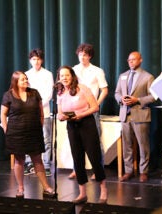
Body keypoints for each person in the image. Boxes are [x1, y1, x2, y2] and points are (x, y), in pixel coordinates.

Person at [56, 66, 107, 204]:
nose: (64, 78)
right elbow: (59, 112)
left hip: (87, 124)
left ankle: (103, 191)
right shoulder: (60, 92)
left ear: (72, 76)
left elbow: (95, 107)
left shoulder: (82, 88)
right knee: (77, 159)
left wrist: (80, 115)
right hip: (72, 126)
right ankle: (82, 193)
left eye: (67, 75)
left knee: (94, 157)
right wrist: (61, 117)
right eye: (62, 76)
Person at [0, 71, 55, 198]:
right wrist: (6, 129)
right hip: (15, 133)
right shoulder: (8, 95)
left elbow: (41, 113)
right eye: (22, 79)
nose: (26, 81)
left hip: (34, 132)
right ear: (16, 82)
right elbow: (3, 114)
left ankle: (46, 187)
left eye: (26, 78)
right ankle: (20, 188)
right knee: (19, 161)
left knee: (37, 160)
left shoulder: (34, 93)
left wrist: (39, 126)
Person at [68, 43, 108, 180]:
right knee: (76, 142)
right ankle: (77, 169)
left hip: (91, 111)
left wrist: (95, 103)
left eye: (85, 55)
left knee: (95, 141)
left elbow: (105, 90)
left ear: (90, 56)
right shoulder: (73, 70)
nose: (82, 57)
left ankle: (98, 170)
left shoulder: (97, 71)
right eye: (80, 54)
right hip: (75, 110)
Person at [114, 51, 156, 183]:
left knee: (143, 145)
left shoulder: (148, 77)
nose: (131, 62)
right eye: (129, 60)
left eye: (134, 59)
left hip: (140, 115)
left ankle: (144, 171)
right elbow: (117, 92)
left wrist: (137, 100)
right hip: (125, 115)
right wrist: (121, 99)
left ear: (140, 60)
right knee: (127, 145)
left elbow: (153, 96)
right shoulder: (123, 76)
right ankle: (128, 171)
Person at [24, 48, 54, 177]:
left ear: (42, 60)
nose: (36, 62)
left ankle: (46, 165)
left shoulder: (48, 74)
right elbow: (24, 91)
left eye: (38, 59)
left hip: (44, 111)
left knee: (46, 139)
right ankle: (29, 163)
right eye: (34, 59)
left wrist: (39, 104)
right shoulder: (26, 74)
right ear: (30, 60)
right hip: (28, 112)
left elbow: (49, 93)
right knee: (28, 137)